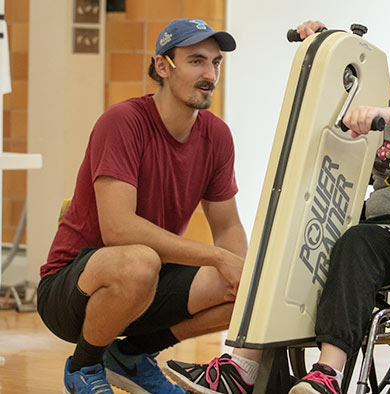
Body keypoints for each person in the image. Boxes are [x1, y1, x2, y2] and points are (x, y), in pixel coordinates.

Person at [165, 16, 390, 394]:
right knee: (299, 232)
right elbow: (346, 81)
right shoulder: (387, 95)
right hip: (381, 223)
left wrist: (386, 115)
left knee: (358, 243)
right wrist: (323, 44)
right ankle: (242, 367)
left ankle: (328, 375)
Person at [36, 18, 261, 394]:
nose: (210, 74)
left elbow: (228, 228)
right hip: (71, 288)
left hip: (147, 283)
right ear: (162, 66)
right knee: (140, 260)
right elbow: (118, 229)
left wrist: (245, 278)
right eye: (196, 61)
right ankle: (84, 366)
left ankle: (132, 355)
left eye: (216, 62)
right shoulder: (123, 122)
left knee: (251, 285)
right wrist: (216, 257)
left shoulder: (217, 135)